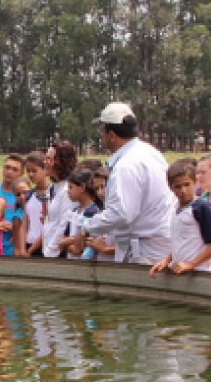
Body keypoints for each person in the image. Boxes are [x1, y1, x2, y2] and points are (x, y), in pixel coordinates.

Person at [67, 102, 174, 264]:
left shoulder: (125, 165)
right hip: (160, 243)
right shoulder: (152, 153)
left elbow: (121, 213)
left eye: (103, 131)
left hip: (142, 250)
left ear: (112, 135)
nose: (101, 137)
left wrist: (86, 228)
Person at [150, 160, 211, 278]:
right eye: (178, 187)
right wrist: (166, 260)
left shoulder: (201, 208)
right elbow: (181, 242)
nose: (183, 191)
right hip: (181, 272)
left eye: (187, 185)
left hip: (199, 274)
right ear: (170, 188)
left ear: (195, 182)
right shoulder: (176, 209)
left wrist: (191, 264)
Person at [41, 141, 78, 258]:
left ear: (62, 162)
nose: (45, 162)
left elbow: (63, 226)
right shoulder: (53, 187)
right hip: (49, 249)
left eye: (50, 159)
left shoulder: (68, 189)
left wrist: (50, 253)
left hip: (58, 254)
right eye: (45, 158)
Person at [60, 169, 100, 259]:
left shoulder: (92, 212)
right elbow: (61, 242)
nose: (68, 191)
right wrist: (72, 242)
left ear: (82, 187)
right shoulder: (74, 211)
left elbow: (80, 248)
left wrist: (68, 243)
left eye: (71, 187)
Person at [23, 152, 52, 257]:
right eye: (28, 171)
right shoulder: (29, 195)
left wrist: (30, 250)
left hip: (45, 246)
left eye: (34, 171)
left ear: (45, 170)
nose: (31, 175)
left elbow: (50, 226)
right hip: (28, 245)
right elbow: (25, 224)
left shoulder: (54, 194)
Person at [0, 154, 27, 256]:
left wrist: (20, 232)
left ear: (22, 173)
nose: (9, 172)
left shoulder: (26, 194)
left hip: (15, 251)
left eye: (15, 169)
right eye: (7, 167)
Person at [86, 166, 117, 261]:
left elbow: (130, 248)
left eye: (103, 187)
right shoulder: (100, 213)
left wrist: (105, 249)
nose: (100, 192)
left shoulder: (124, 213)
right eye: (96, 189)